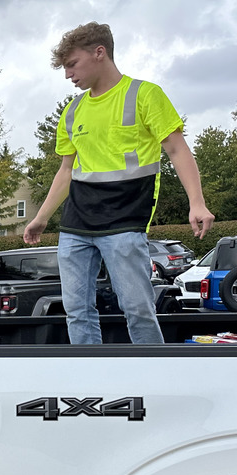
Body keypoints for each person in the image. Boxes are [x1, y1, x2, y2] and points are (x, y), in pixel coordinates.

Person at [23, 21, 214, 344]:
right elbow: (66, 170)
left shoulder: (145, 95)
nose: (68, 75)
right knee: (77, 310)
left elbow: (176, 149)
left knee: (137, 308)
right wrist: (41, 218)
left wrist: (197, 201)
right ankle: (92, 382)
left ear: (100, 53)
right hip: (77, 224)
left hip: (126, 220)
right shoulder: (72, 112)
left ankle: (152, 377)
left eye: (72, 64)